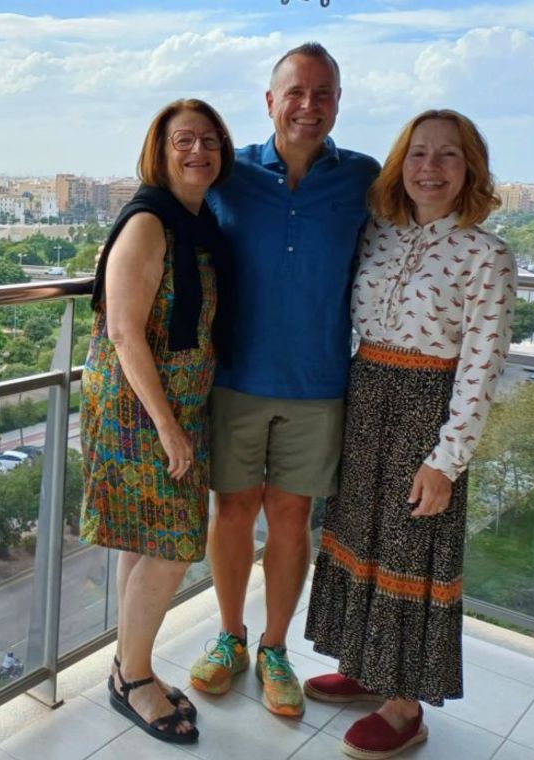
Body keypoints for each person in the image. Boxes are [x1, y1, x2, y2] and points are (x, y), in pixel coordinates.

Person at [303, 109, 515, 759]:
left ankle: (404, 705)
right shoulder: (379, 235)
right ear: (401, 164)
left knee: (410, 551)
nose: (431, 168)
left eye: (448, 156)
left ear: (470, 170)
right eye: (419, 154)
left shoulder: (488, 257)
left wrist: (446, 463)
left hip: (428, 412)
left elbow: (482, 369)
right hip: (366, 398)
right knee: (359, 538)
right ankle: (367, 668)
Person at [188, 42, 380, 719]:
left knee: (292, 518)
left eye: (323, 93)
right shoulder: (227, 172)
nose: (309, 105)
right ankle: (229, 637)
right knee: (233, 510)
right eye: (295, 92)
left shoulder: (362, 177)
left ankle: (275, 650)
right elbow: (174, 227)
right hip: (235, 374)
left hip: (319, 380)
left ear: (338, 103)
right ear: (269, 101)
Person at [80, 98, 235, 744]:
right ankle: (132, 678)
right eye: (183, 141)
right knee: (173, 543)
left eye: (208, 141)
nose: (197, 151)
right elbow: (122, 330)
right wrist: (171, 428)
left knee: (147, 540)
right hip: (138, 409)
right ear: (160, 150)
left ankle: (129, 665)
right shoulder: (149, 221)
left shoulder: (196, 223)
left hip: (171, 405)